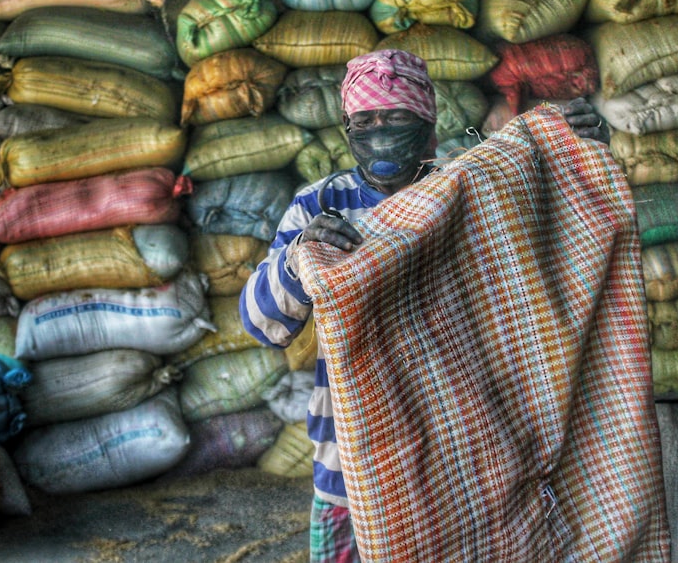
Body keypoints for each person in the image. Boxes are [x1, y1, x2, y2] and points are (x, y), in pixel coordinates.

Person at [239, 48, 606, 562]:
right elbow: (261, 324)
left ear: (428, 125)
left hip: (467, 452)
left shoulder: (469, 187)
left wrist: (580, 153)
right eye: (365, 121)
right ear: (347, 130)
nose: (379, 130)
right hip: (353, 461)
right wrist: (298, 260)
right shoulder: (320, 205)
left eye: (396, 117)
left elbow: (562, 247)